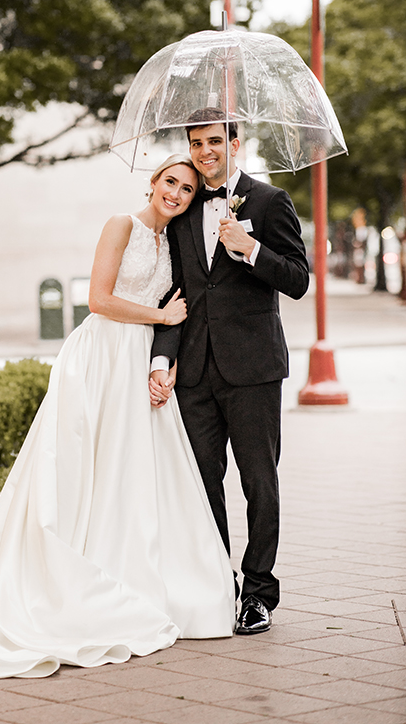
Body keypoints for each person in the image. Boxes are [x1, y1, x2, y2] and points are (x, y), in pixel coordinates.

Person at [0, 156, 236, 679]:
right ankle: (65, 580)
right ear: (153, 183)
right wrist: (159, 316)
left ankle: (134, 574)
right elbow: (99, 300)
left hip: (138, 364)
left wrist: (163, 362)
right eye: (170, 182)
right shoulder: (120, 225)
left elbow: (177, 311)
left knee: (130, 472)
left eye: (187, 189)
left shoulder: (172, 242)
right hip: (100, 358)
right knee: (81, 467)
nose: (176, 193)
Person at [149, 110, 309, 636]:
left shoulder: (270, 202)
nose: (205, 152)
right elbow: (176, 296)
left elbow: (298, 279)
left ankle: (259, 592)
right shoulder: (183, 209)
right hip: (195, 372)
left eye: (214, 141)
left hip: (255, 369)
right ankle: (221, 582)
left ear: (235, 143)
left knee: (259, 482)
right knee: (203, 483)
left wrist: (251, 248)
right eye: (196, 144)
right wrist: (162, 359)